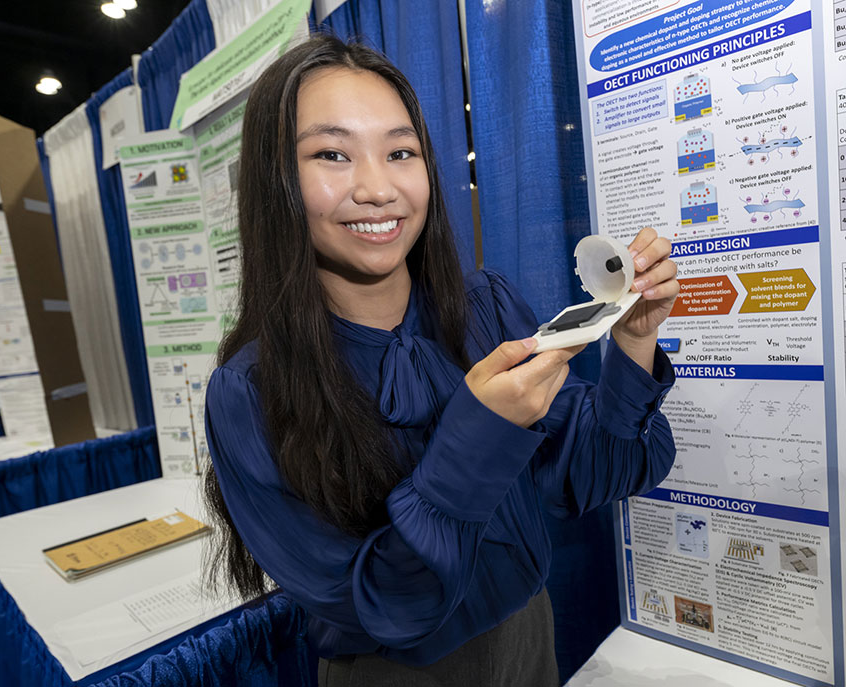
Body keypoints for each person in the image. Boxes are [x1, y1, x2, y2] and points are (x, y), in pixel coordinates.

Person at [203, 34, 678, 687]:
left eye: (401, 151)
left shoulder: (484, 307)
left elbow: (608, 468)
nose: (377, 188)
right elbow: (388, 606)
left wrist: (632, 343)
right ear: (276, 179)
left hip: (530, 639)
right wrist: (478, 437)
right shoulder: (249, 391)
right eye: (332, 154)